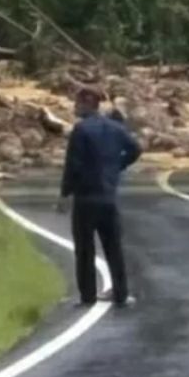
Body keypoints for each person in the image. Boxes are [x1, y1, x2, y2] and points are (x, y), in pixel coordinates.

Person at [57, 86, 142, 308]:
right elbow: (135, 149)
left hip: (86, 198)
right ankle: (121, 293)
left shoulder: (81, 130)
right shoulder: (115, 128)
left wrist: (65, 193)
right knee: (114, 247)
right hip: (108, 197)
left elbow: (72, 165)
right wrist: (118, 166)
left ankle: (88, 297)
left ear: (86, 104)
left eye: (77, 103)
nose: (75, 108)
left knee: (85, 249)